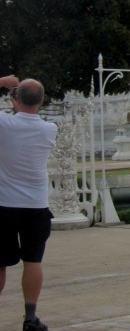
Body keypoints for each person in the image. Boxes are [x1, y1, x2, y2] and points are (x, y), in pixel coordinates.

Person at [0, 76, 57, 331]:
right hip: (35, 205)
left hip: (4, 204)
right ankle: (30, 318)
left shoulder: (4, 124)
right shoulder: (49, 129)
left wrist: (2, 80)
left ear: (15, 99)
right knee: (33, 261)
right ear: (42, 101)